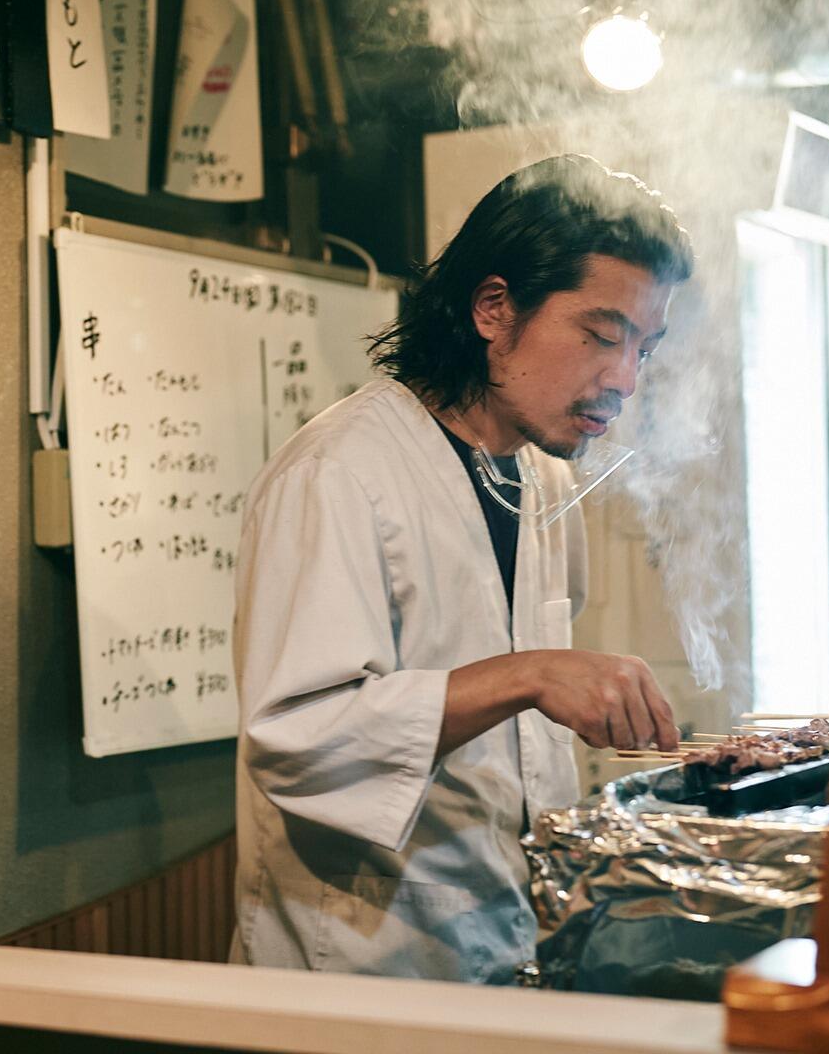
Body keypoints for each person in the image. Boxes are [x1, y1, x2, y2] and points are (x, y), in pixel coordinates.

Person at [229, 154, 693, 983]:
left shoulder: (545, 473)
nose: (625, 379)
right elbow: (296, 738)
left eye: (645, 350)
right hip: (366, 967)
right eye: (600, 336)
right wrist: (527, 675)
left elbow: (527, 732)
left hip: (515, 937)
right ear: (493, 308)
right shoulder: (338, 472)